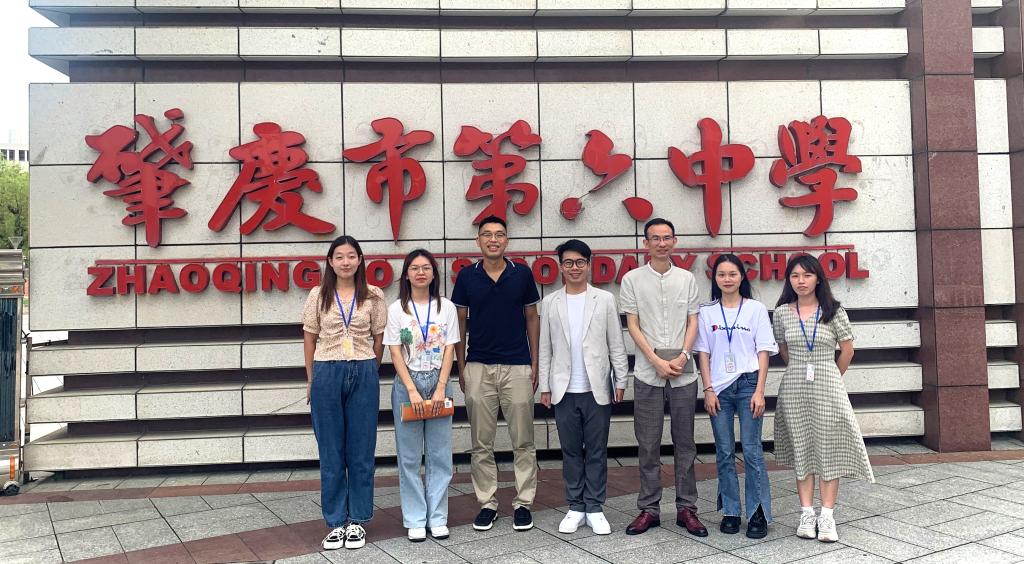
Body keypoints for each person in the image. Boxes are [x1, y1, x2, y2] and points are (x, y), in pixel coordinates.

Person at [773, 254, 874, 543]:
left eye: (807, 275)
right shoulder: (781, 313)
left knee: (829, 448)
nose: (801, 281)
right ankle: (807, 513)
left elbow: (847, 350)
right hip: (794, 388)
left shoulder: (833, 310)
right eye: (795, 276)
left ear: (818, 278)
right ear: (789, 280)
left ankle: (827, 515)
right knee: (802, 448)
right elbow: (783, 348)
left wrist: (831, 375)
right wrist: (801, 369)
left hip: (828, 386)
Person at [452, 215, 541, 532]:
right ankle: (487, 503)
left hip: (517, 366)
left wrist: (534, 362)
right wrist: (461, 366)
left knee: (524, 441)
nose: (493, 239)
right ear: (478, 241)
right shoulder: (467, 276)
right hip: (478, 366)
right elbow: (460, 322)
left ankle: (523, 503)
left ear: (507, 240)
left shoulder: (522, 273)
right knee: (481, 443)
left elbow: (532, 317)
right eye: (487, 234)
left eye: (499, 234)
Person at [619, 218, 707, 537]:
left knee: (685, 443)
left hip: (683, 373)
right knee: (648, 443)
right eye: (655, 238)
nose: (661, 243)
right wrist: (655, 360)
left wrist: (683, 356)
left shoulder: (686, 279)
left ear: (674, 241)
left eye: (666, 237)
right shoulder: (631, 279)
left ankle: (687, 508)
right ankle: (649, 509)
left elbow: (693, 321)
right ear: (645, 243)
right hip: (648, 372)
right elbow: (633, 324)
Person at [537, 239, 629, 536]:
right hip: (564, 389)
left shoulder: (604, 299)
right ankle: (576, 506)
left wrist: (621, 379)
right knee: (571, 451)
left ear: (588, 265)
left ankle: (595, 507)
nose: (574, 267)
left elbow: (616, 343)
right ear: (561, 267)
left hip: (596, 388)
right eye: (568, 263)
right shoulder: (550, 302)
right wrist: (545, 386)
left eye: (580, 262)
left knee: (597, 451)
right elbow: (545, 348)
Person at [302, 235, 387, 551]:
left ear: (360, 260)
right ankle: (337, 521)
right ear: (330, 261)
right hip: (326, 371)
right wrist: (311, 379)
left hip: (363, 369)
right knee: (331, 452)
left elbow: (379, 338)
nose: (346, 262)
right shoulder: (318, 295)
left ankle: (358, 521)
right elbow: (309, 338)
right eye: (339, 256)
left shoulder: (374, 295)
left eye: (351, 256)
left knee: (361, 451)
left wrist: (371, 368)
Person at [694, 254, 777, 539]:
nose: (727, 279)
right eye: (721, 274)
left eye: (732, 274)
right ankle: (730, 510)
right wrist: (707, 389)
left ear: (742, 277)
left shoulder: (755, 309)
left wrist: (760, 391)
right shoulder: (707, 312)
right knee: (724, 451)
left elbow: (763, 351)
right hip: (718, 389)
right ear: (714, 278)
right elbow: (703, 353)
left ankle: (757, 512)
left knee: (752, 450)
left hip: (748, 384)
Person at [384, 249, 459, 543]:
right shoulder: (396, 309)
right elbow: (394, 352)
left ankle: (437, 518)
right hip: (408, 384)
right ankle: (415, 518)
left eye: (426, 268)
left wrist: (441, 386)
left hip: (439, 380)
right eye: (414, 268)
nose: (420, 273)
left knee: (440, 455)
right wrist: (412, 390)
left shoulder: (446, 307)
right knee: (410, 457)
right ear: (406, 274)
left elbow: (451, 348)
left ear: (433, 273)